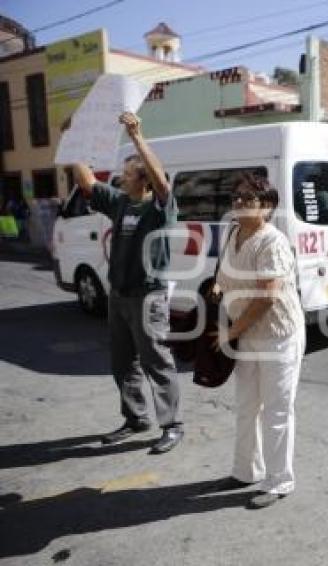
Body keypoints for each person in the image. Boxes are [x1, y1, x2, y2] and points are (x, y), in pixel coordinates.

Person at [71, 111, 183, 454]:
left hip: (148, 296)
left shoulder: (161, 208)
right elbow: (88, 184)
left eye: (127, 174)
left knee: (156, 360)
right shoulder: (120, 202)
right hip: (119, 295)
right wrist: (75, 143)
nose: (121, 178)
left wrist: (136, 136)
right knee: (122, 362)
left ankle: (172, 424)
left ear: (143, 180)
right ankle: (136, 418)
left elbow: (163, 181)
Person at [207, 174, 306, 510]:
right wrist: (216, 294)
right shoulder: (234, 233)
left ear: (266, 206)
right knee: (247, 406)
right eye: (236, 197)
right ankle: (246, 471)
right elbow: (223, 276)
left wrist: (230, 334)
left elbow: (266, 297)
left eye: (247, 199)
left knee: (277, 411)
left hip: (278, 336)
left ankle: (280, 481)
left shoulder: (272, 241)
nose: (238, 203)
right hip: (246, 333)